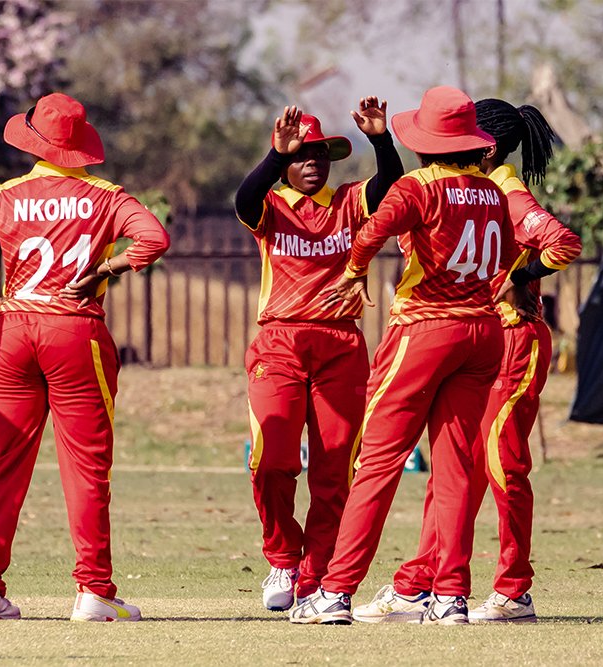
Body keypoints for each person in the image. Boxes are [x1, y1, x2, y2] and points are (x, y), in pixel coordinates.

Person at [0, 92, 170, 622]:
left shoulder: (5, 195)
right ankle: (94, 591)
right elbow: (155, 239)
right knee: (86, 469)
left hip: (12, 330)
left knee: (5, 465)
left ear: (33, 141)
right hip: (74, 332)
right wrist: (108, 270)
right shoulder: (106, 196)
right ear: (81, 144)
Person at [289, 86, 519, 625]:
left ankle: (336, 591)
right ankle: (451, 597)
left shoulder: (417, 187)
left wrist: (352, 274)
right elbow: (511, 254)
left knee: (379, 461)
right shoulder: (492, 191)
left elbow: (368, 234)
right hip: (483, 333)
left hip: (424, 330)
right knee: (456, 467)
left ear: (426, 142)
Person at [352, 99, 581, 625]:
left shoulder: (504, 188)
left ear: (487, 146)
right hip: (476, 340)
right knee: (454, 471)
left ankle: (513, 590)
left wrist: (520, 280)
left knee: (503, 466)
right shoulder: (465, 187)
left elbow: (562, 242)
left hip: (512, 339)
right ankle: (418, 584)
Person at [234, 98, 403, 612]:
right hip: (280, 343)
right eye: (302, 155)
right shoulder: (271, 205)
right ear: (286, 160)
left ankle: (315, 577)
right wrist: (272, 154)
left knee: (335, 468)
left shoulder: (351, 201)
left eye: (321, 154)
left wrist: (381, 141)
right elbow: (243, 200)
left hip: (340, 345)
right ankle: (282, 556)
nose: (312, 162)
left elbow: (391, 188)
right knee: (271, 460)